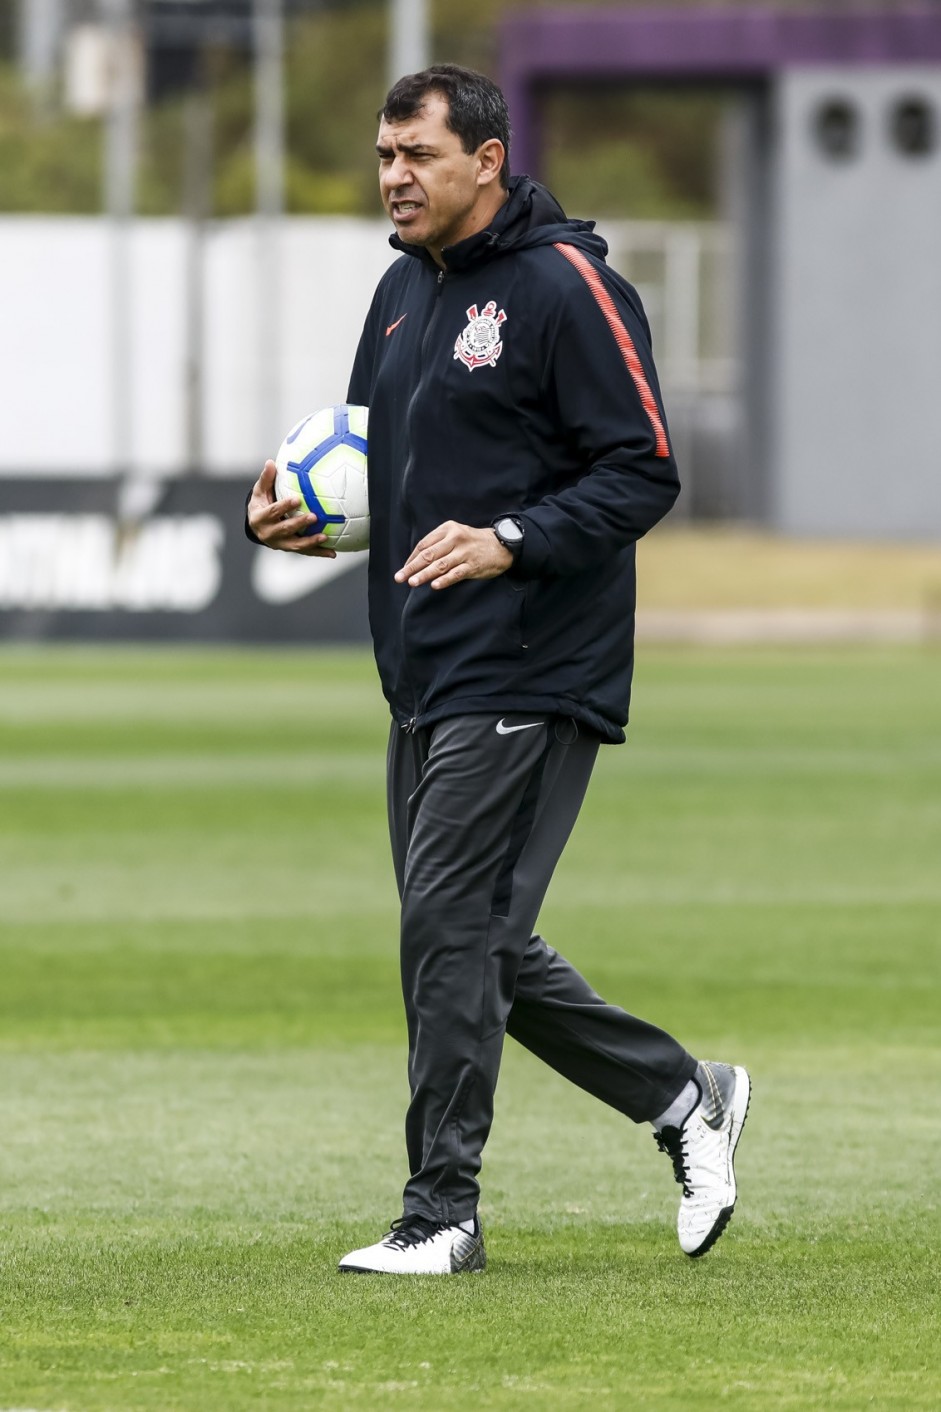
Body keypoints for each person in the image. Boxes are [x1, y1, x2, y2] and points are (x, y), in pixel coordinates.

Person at [247, 64, 750, 1276]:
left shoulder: (569, 286)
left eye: (415, 155)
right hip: (422, 668)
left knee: (447, 927)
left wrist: (509, 538)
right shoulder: (395, 291)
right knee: (461, 934)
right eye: (381, 156)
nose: (392, 178)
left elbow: (640, 470)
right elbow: (375, 471)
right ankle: (685, 1094)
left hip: (532, 664)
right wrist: (300, 521)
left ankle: (441, 1213)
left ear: (486, 157)